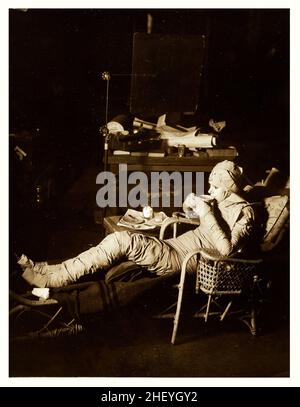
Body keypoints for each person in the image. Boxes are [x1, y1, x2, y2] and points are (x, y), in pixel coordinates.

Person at [17, 160, 256, 289]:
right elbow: (201, 224)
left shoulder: (244, 214)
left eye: (214, 188)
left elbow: (226, 251)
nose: (210, 191)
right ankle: (48, 270)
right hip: (173, 247)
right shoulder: (221, 203)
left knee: (121, 239)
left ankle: (55, 279)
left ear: (227, 189)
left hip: (182, 260)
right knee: (116, 240)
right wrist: (190, 207)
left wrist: (206, 212)